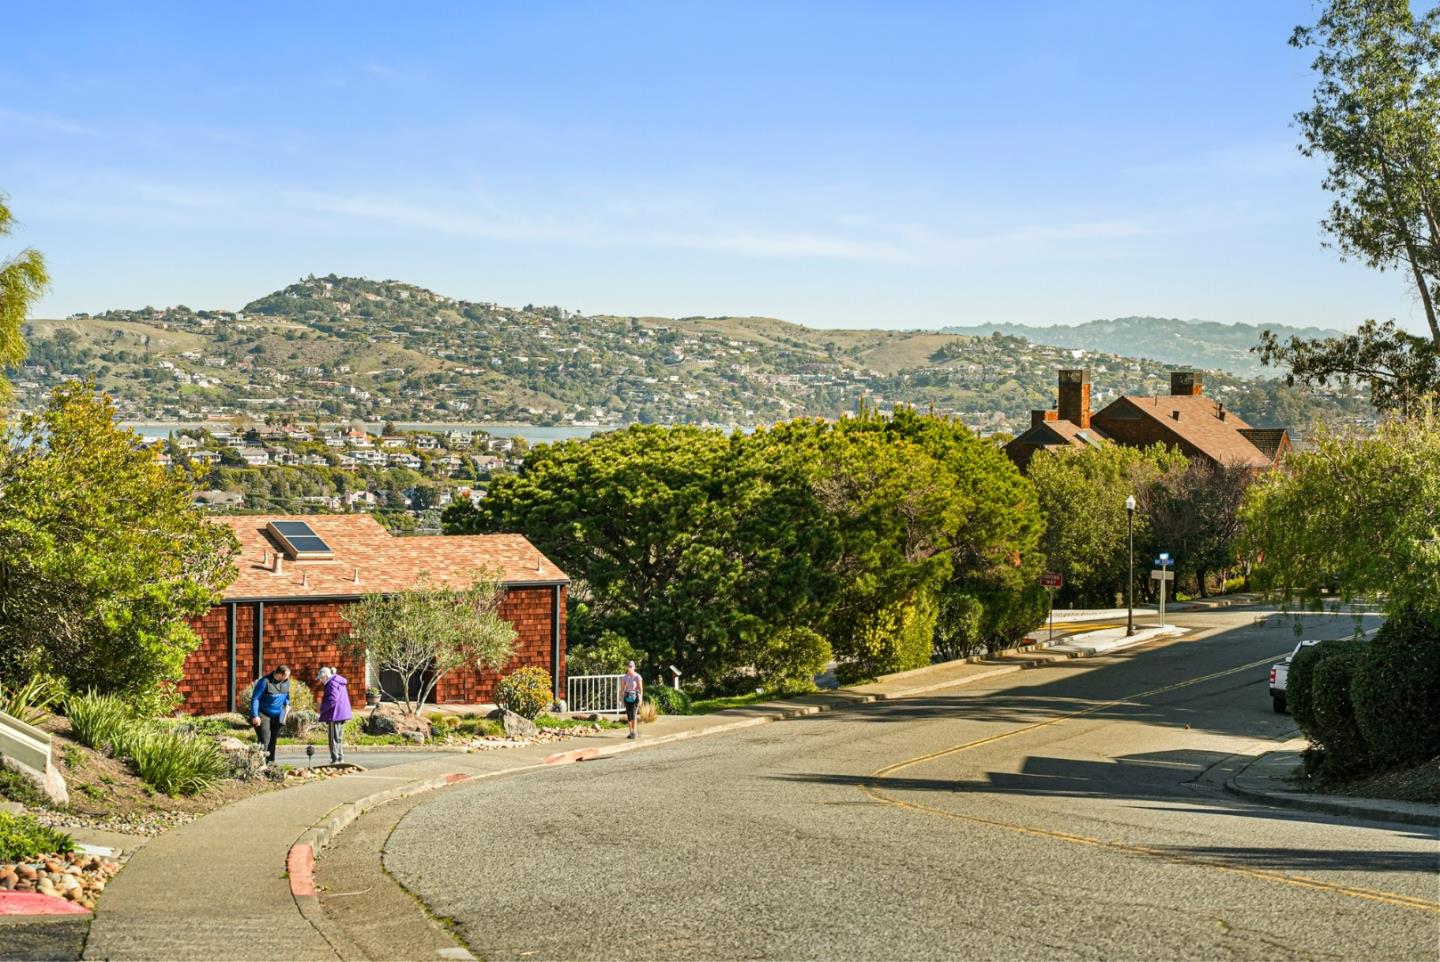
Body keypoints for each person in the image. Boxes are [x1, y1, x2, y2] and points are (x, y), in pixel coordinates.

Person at [249, 664, 291, 764]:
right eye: (286, 675)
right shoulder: (265, 682)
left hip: (277, 715)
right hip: (263, 714)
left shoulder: (286, 682)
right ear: (280, 674)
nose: (288, 678)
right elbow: (255, 698)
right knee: (265, 739)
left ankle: (271, 763)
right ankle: (260, 763)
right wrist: (255, 716)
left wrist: (287, 706)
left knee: (273, 739)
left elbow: (286, 696)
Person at [316, 666, 352, 764]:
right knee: (338, 737)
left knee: (333, 738)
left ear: (326, 676)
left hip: (335, 714)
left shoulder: (331, 683)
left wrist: (322, 708)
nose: (320, 680)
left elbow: (332, 699)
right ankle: (340, 757)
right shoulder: (338, 681)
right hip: (342, 712)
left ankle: (335, 759)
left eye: (321, 678)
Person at [619, 660, 643, 740]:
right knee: (629, 715)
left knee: (633, 714)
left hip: (635, 697)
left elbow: (640, 688)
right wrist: (621, 697)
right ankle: (630, 732)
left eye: (631, 666)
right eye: (628, 666)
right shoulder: (625, 677)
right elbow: (622, 688)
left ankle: (634, 732)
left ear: (634, 667)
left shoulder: (637, 676)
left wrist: (641, 697)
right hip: (627, 697)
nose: (629, 668)